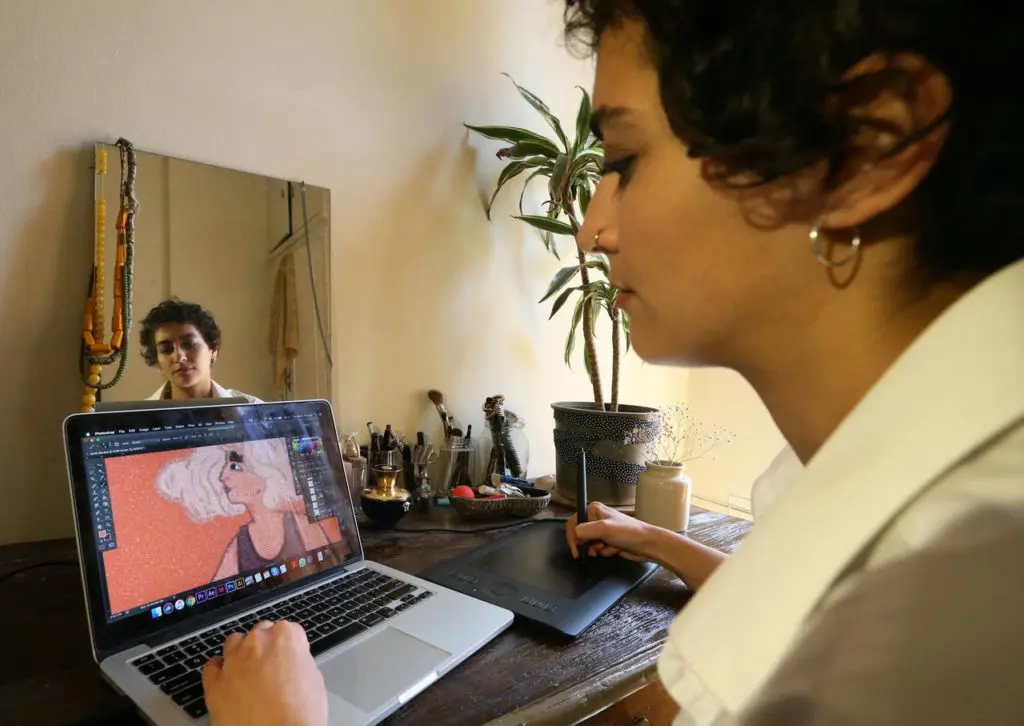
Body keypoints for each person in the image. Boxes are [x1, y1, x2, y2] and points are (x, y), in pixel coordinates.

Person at [201, 2, 1024, 724]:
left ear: (867, 142)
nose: (593, 232)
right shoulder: (896, 489)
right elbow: (804, 605)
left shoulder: (950, 598)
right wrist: (666, 545)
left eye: (625, 162)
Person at [156, 439, 350, 580]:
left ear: (263, 475)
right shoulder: (240, 542)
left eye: (235, 466)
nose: (223, 475)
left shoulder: (301, 526)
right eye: (225, 466)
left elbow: (332, 572)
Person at [139, 298, 263, 403]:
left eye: (189, 344)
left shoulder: (253, 410)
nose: (179, 356)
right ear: (157, 362)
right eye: (166, 349)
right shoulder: (139, 418)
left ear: (213, 350)